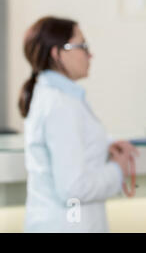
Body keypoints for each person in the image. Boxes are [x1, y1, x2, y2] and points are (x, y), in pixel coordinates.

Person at [18, 16, 138, 232]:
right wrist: (117, 170)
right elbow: (73, 188)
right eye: (82, 46)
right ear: (57, 53)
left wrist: (106, 144)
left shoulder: (59, 98)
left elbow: (72, 144)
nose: (89, 54)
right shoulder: (59, 104)